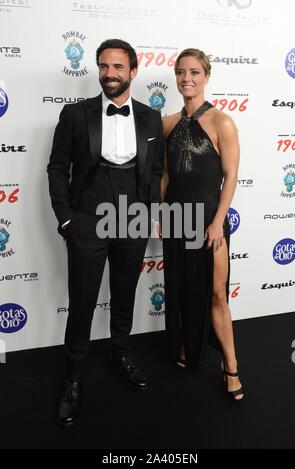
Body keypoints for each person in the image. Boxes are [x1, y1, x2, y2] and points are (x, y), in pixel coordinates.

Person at [47, 38, 164, 426]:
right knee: (81, 302)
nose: (109, 74)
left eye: (117, 67)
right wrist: (66, 218)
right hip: (88, 218)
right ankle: (73, 378)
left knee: (125, 294)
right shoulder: (75, 115)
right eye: (103, 66)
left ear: (133, 71)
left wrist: (147, 212)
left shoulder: (150, 118)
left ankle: (122, 354)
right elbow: (56, 168)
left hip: (133, 217)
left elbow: (155, 172)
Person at [161, 48, 243, 400]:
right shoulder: (167, 123)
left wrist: (217, 223)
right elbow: (166, 175)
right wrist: (161, 213)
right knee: (181, 291)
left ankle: (231, 366)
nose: (186, 79)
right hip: (178, 219)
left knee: (215, 295)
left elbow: (231, 176)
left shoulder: (221, 122)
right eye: (181, 72)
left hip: (209, 223)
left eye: (194, 72)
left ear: (206, 76)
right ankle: (189, 347)